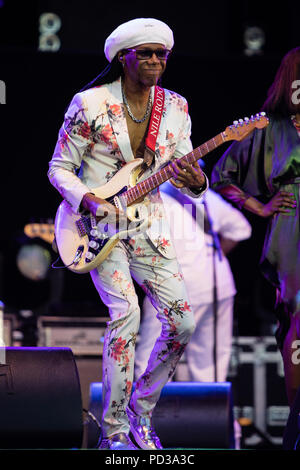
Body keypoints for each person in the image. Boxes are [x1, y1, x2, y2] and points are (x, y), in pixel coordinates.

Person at [48, 18, 208, 450]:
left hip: (149, 227)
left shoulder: (175, 106)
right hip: (99, 228)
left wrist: (194, 178)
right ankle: (115, 431)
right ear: (125, 58)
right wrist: (90, 202)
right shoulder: (90, 102)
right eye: (148, 53)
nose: (157, 60)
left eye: (163, 54)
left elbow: (184, 175)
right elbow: (59, 167)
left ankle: (142, 411)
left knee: (183, 324)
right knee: (127, 316)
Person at [211, 46, 300, 408]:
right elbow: (221, 176)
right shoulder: (268, 126)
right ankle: (298, 418)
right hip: (292, 227)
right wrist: (260, 208)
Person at [134, 184, 252, 383]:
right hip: (216, 285)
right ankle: (211, 410)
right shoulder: (205, 196)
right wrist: (211, 255)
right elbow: (241, 229)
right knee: (210, 365)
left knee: (153, 360)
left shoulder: (148, 198)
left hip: (171, 287)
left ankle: (150, 412)